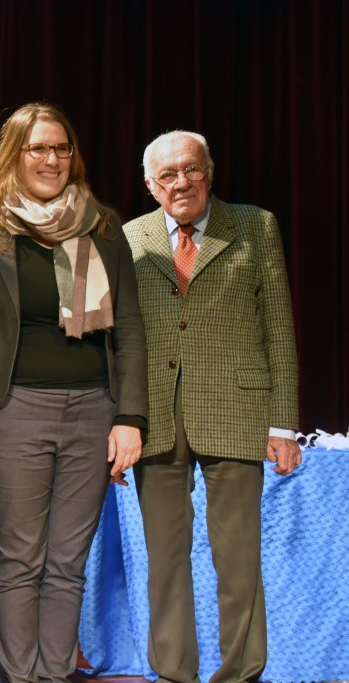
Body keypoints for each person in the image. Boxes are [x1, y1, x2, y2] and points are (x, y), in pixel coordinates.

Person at [0, 102, 148, 682]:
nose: (51, 159)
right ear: (13, 155)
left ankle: (52, 677)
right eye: (38, 148)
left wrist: (131, 417)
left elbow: (131, 331)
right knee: (21, 559)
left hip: (94, 412)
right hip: (12, 410)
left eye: (61, 148)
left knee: (67, 564)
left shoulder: (101, 227)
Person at [124, 130, 301, 683]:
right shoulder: (130, 238)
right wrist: (119, 422)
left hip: (236, 408)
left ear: (211, 171)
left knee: (239, 558)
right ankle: (175, 674)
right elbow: (120, 339)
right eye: (168, 175)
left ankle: (241, 674)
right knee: (166, 561)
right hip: (156, 413)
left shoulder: (254, 225)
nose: (183, 182)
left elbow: (279, 325)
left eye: (191, 169)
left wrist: (282, 424)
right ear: (151, 186)